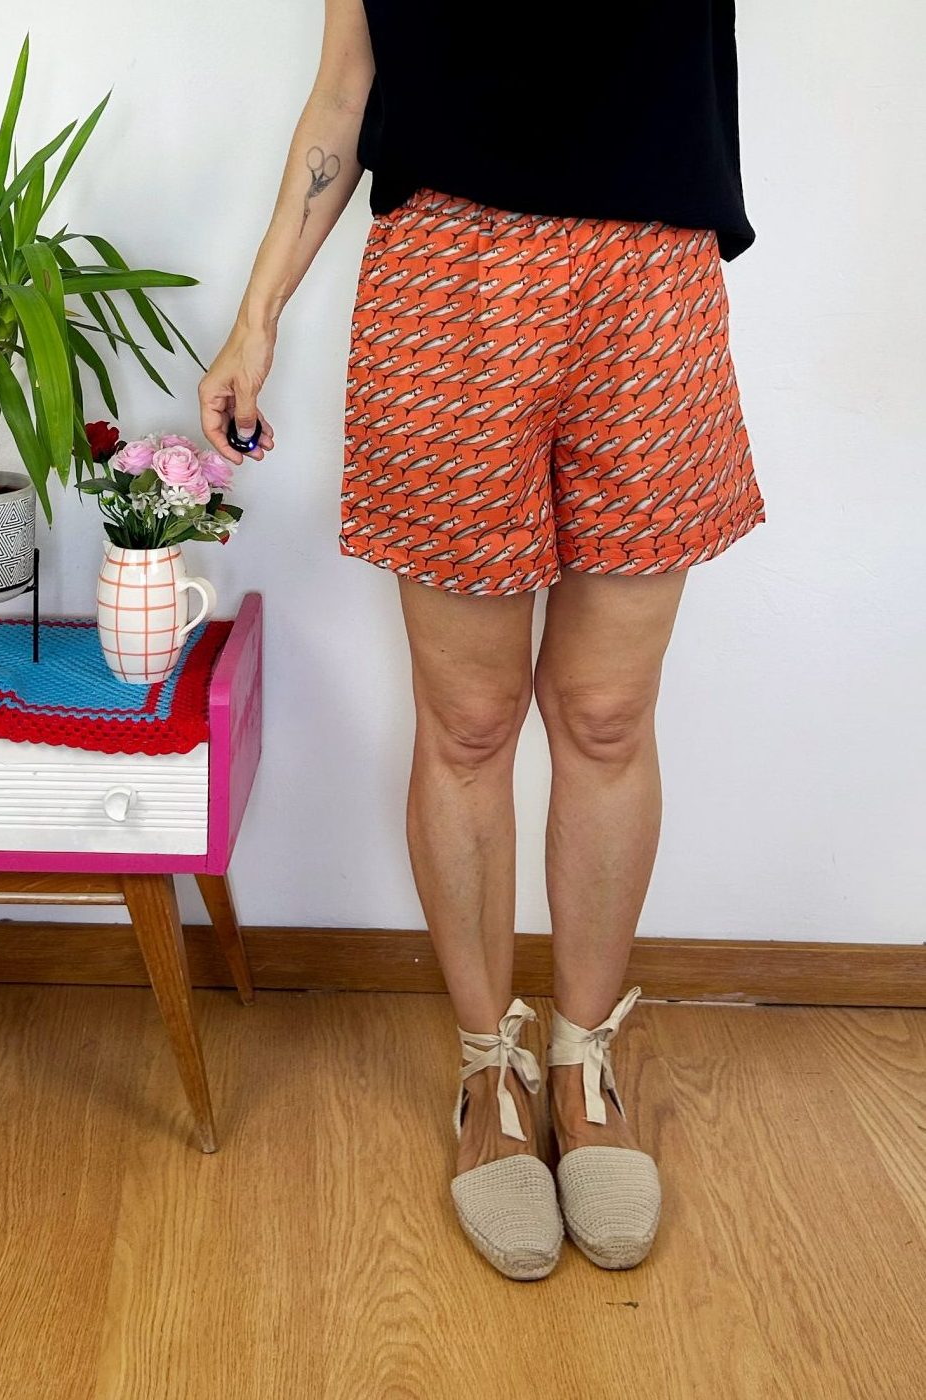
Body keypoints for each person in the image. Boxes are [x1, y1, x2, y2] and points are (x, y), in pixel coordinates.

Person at [199, 0, 766, 1281]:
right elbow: (345, 87)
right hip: (445, 282)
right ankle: (485, 1069)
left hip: (650, 282)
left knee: (606, 715)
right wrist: (257, 315)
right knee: (466, 722)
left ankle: (581, 1060)